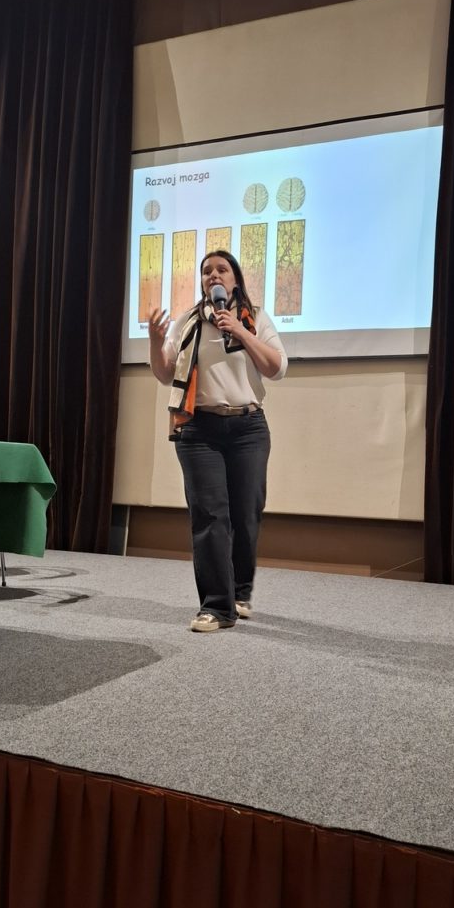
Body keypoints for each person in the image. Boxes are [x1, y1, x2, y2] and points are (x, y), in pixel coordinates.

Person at [148, 249, 288, 633]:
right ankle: (216, 606)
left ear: (235, 280)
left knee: (245, 515)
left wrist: (240, 331)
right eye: (206, 271)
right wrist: (155, 341)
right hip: (198, 430)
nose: (213, 275)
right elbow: (165, 373)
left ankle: (239, 592)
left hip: (248, 429)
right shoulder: (188, 321)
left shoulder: (255, 318)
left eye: (222, 269)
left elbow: (277, 368)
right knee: (210, 515)